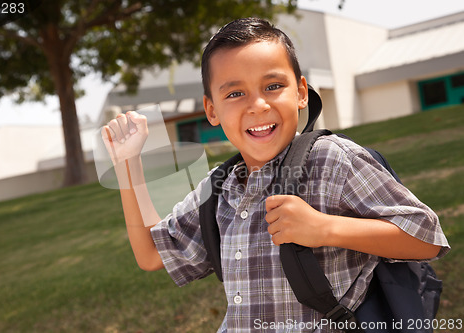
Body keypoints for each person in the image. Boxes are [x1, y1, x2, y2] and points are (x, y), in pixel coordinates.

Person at [101, 18, 449, 332]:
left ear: (300, 92)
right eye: (235, 93)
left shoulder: (331, 160)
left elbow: (427, 237)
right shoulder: (219, 187)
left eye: (272, 86)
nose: (258, 105)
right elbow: (151, 255)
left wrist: (325, 228)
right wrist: (127, 164)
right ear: (211, 110)